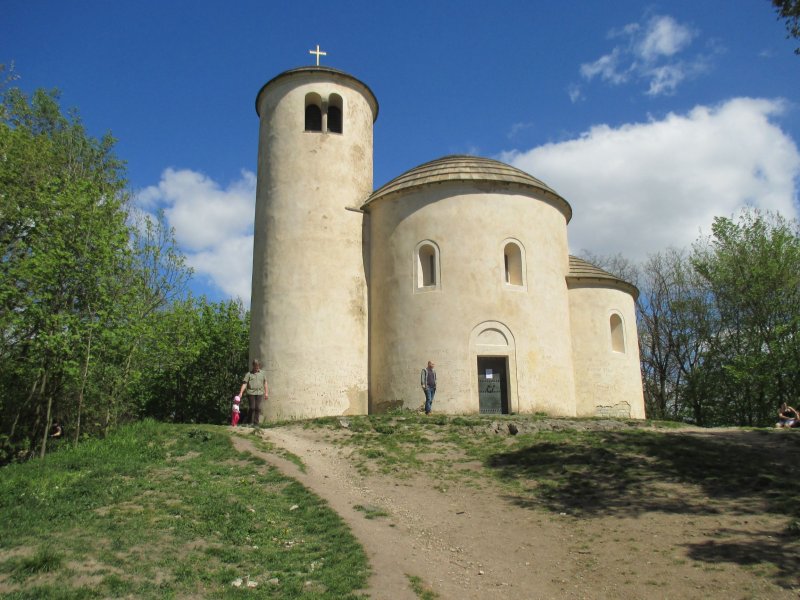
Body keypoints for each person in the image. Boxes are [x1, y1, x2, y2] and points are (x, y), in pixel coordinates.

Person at [238, 359, 268, 425]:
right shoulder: (249, 374)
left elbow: (265, 382)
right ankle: (249, 421)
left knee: (257, 408)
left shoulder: (262, 373)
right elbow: (245, 383)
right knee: (252, 407)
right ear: (253, 366)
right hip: (251, 393)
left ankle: (256, 423)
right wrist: (241, 392)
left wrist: (266, 393)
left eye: (257, 366)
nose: (256, 368)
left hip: (259, 392)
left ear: (259, 366)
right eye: (255, 366)